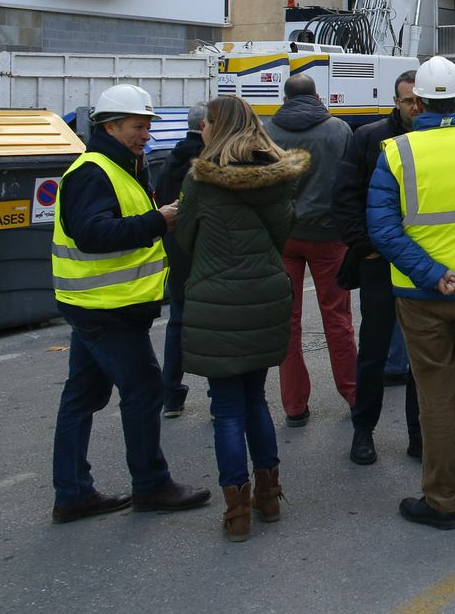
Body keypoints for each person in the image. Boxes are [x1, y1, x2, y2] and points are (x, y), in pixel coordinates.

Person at [49, 83, 209, 523]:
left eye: (147, 126)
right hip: (106, 307)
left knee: (82, 397)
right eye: (139, 126)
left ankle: (73, 493)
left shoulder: (121, 166)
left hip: (102, 304)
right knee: (144, 392)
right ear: (111, 125)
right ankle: (151, 485)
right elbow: (93, 233)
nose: (146, 135)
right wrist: (160, 220)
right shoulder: (94, 171)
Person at [367, 56, 455, 530]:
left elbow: (382, 230)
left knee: (434, 397)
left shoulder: (396, 153)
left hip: (423, 295)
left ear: (418, 102)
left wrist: (432, 273)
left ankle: (442, 500)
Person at [175, 96, 308, 541]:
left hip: (217, 301)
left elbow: (186, 238)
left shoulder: (200, 180)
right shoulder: (277, 179)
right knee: (255, 399)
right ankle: (269, 496)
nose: (204, 130)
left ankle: (237, 512)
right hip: (266, 294)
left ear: (219, 126)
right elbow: (281, 234)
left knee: (227, 407)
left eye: (207, 123)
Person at [333, 70, 421, 467]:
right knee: (373, 352)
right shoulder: (368, 138)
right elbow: (345, 197)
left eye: (420, 100)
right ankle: (362, 431)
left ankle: (420, 435)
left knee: (423, 354)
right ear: (395, 101)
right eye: (407, 101)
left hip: (423, 264)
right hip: (380, 262)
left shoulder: (432, 140)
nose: (415, 108)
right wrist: (366, 248)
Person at [263, 74, 355, 427]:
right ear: (317, 96)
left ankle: (294, 406)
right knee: (338, 319)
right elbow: (348, 183)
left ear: (284, 99)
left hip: (285, 235)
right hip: (329, 235)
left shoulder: (268, 131)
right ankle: (353, 393)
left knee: (288, 321)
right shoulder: (338, 130)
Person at [154, 101, 206, 419]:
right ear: (205, 126)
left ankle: (171, 393)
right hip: (204, 251)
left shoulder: (170, 159)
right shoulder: (209, 161)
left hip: (176, 250)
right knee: (217, 321)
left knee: (179, 320)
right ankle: (219, 392)